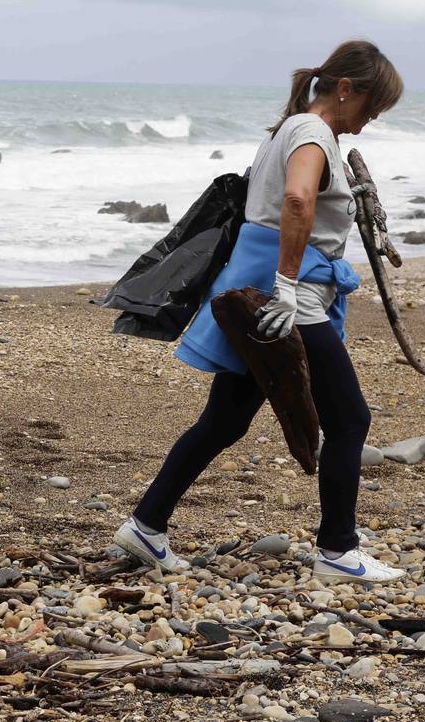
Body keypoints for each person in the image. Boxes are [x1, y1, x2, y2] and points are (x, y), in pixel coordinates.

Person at [114, 40, 407, 584]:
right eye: (370, 108)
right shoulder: (313, 134)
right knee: (350, 420)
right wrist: (288, 287)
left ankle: (147, 525)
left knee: (225, 418)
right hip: (282, 299)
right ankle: (339, 552)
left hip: (254, 290)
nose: (367, 124)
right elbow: (297, 202)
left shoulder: (288, 129)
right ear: (346, 90)